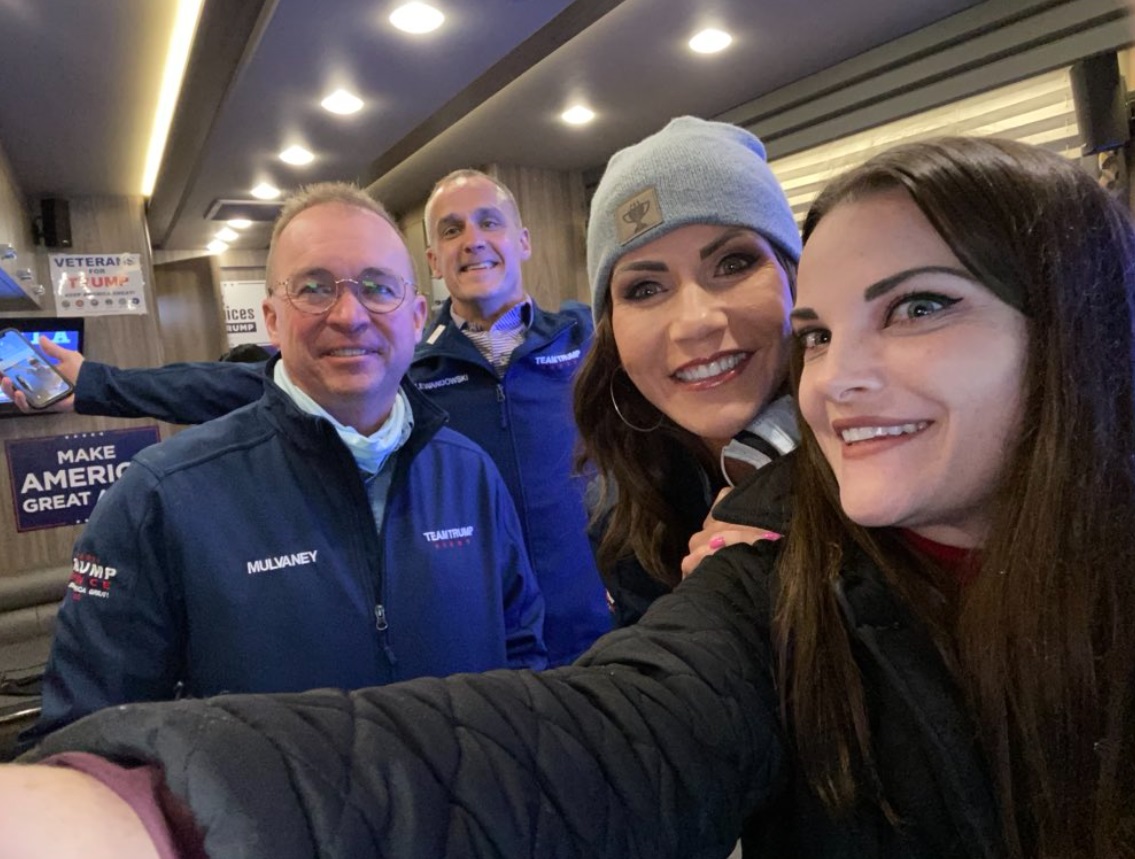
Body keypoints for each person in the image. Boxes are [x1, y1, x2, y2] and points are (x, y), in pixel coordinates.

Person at [4, 134, 1133, 859]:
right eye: (313, 289)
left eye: (920, 307)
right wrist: (150, 803)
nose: (695, 322)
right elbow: (598, 735)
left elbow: (534, 659)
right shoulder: (722, 554)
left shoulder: (496, 439)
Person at [4, 172, 610, 667]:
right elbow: (228, 388)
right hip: (469, 627)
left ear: (524, 241)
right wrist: (95, 383)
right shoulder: (403, 366)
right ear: (433, 260)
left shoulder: (587, 345)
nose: (472, 239)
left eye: (489, 221)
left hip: (589, 629)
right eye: (451, 229)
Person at [575, 116, 803, 625]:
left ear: (796, 280)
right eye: (645, 289)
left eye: (733, 263)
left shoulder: (896, 477)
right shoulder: (623, 511)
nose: (695, 323)